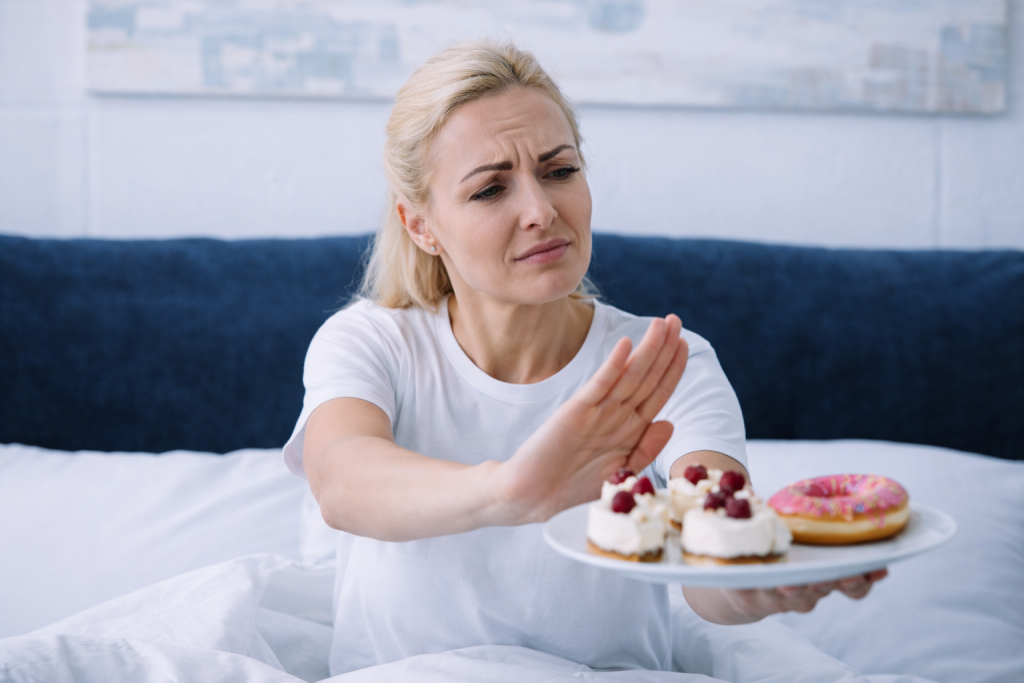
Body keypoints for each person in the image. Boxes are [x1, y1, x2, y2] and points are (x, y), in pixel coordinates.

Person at [283, 40, 885, 675]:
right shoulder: (370, 342)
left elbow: (712, 565)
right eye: (491, 190)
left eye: (559, 171)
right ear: (420, 225)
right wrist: (512, 491)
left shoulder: (663, 362)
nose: (541, 211)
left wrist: (754, 588)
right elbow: (343, 481)